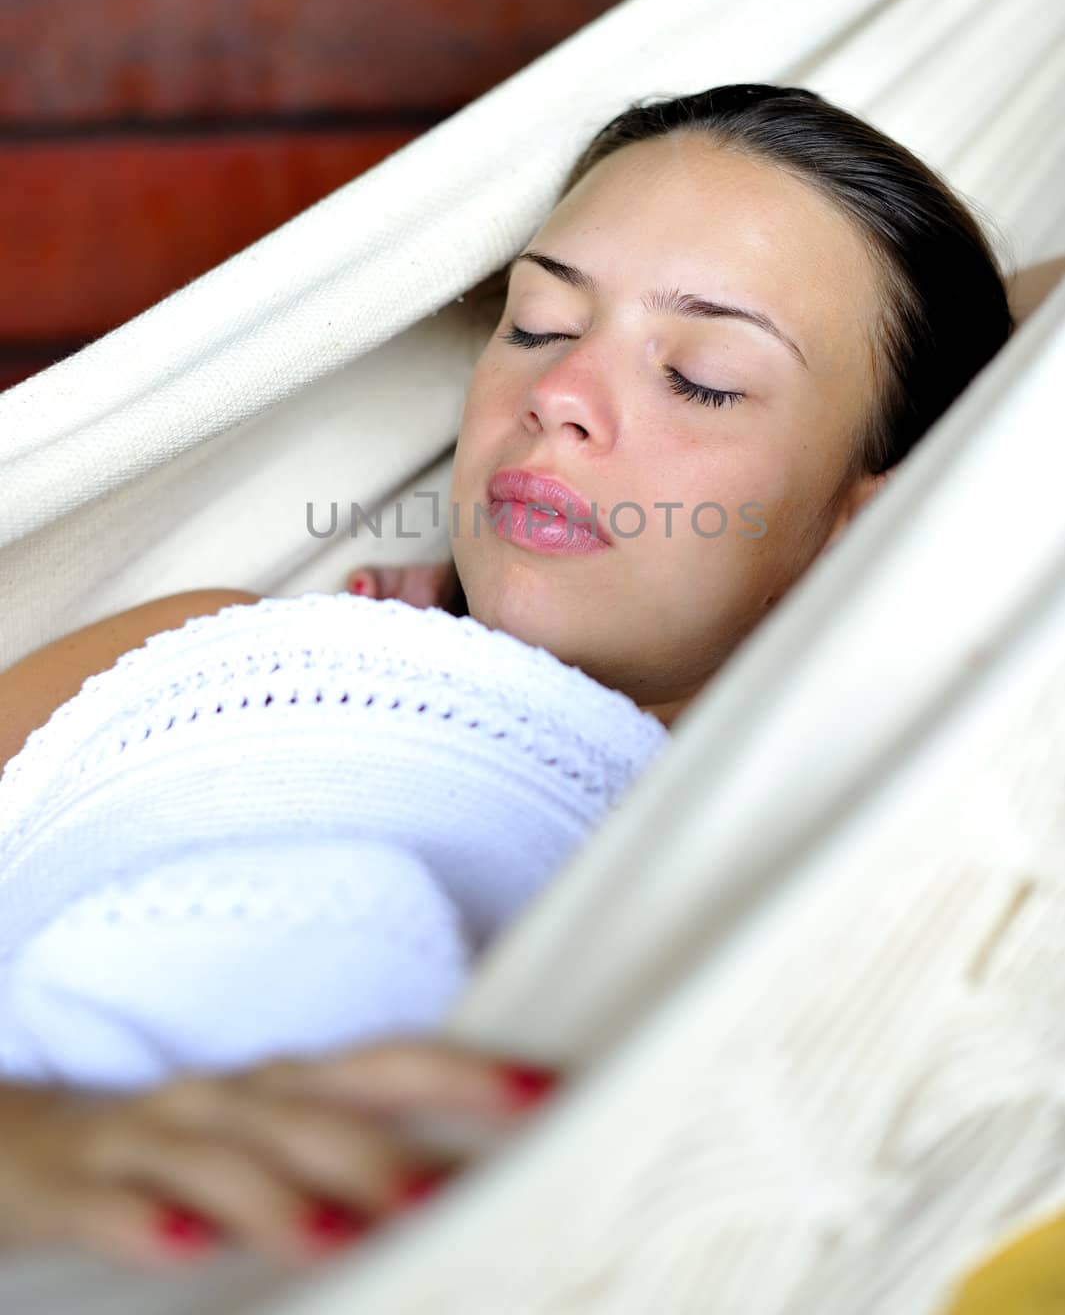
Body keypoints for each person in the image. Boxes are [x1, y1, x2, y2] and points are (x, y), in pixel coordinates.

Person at [0, 83, 1031, 1273]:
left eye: (701, 376)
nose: (556, 399)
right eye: (538, 325)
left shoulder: (827, 836)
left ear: (870, 522)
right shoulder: (201, 657)